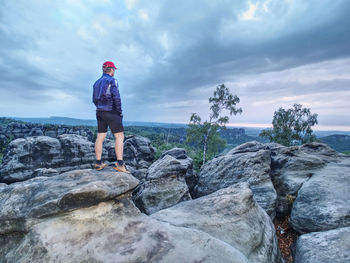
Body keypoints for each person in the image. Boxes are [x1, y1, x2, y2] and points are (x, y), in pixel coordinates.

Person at [92, 61, 130, 173]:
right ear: (112, 70)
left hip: (99, 111)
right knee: (119, 136)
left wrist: (100, 107)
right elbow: (116, 97)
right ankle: (120, 164)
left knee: (100, 137)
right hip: (111, 111)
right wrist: (119, 111)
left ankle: (98, 163)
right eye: (114, 70)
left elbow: (94, 99)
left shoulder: (96, 83)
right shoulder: (112, 80)